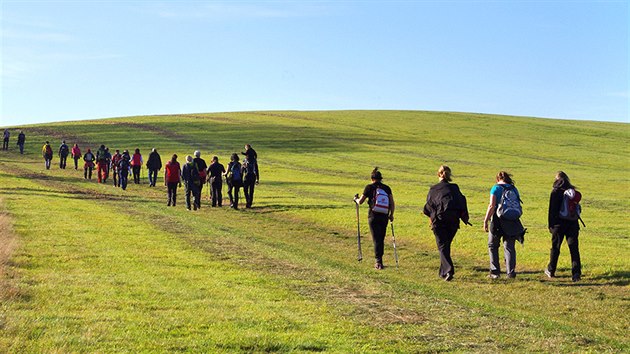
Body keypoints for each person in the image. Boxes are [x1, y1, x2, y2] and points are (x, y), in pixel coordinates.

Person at [423, 165, 470, 281]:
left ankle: (449, 270)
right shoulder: (454, 188)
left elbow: (428, 207)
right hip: (453, 221)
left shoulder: (433, 189)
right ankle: (443, 271)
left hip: (438, 221)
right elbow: (462, 202)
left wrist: (431, 220)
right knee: (445, 245)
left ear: (438, 175)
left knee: (442, 246)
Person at [483, 171, 524, 279]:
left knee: (492, 245)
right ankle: (510, 272)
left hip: (498, 220)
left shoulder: (495, 188)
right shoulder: (514, 189)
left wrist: (486, 220)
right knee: (509, 247)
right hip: (513, 220)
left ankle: (495, 272)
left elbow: (492, 205)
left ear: (497, 179)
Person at [354, 167, 395, 270]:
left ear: (372, 178)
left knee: (376, 239)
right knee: (381, 238)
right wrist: (391, 214)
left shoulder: (369, 187)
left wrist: (355, 199)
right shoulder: (387, 188)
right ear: (381, 178)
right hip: (384, 216)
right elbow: (392, 202)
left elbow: (361, 201)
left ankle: (378, 261)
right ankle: (380, 259)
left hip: (373, 216)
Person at [545, 171, 582, 282]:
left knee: (555, 248)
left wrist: (551, 225)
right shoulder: (572, 192)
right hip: (573, 223)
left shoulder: (555, 192)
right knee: (574, 248)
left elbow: (552, 210)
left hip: (558, 225)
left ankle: (551, 270)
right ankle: (576, 274)